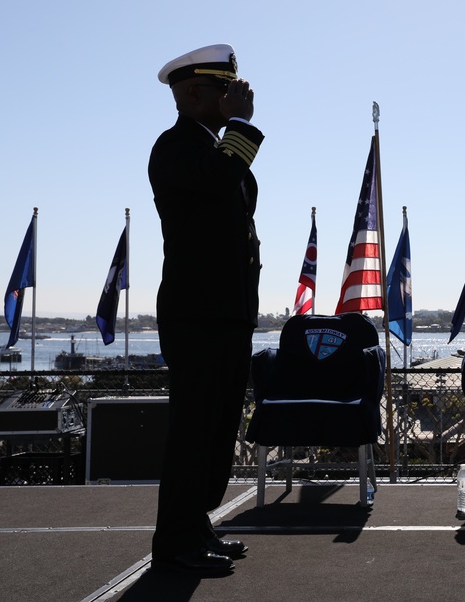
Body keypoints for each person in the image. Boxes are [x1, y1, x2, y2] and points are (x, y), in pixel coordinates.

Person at [148, 44, 264, 575]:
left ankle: (196, 527)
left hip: (228, 313)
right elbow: (219, 177)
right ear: (194, 94)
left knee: (217, 431)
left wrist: (234, 129)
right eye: (225, 89)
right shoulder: (174, 147)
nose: (235, 96)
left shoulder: (214, 149)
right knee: (195, 431)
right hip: (197, 315)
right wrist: (241, 124)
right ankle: (174, 543)